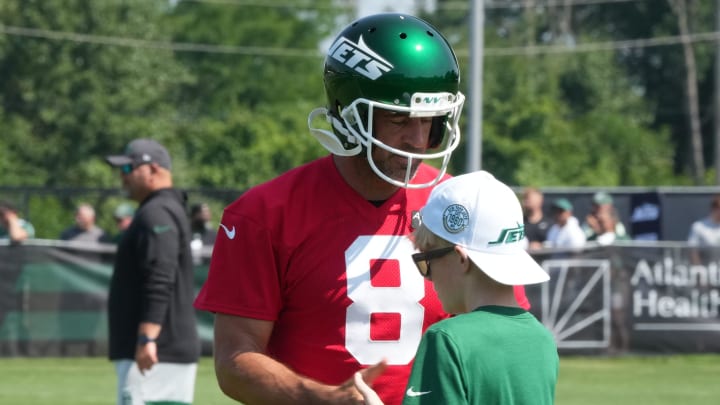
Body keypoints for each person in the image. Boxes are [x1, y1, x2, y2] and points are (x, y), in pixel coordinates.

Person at [194, 13, 529, 405]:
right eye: (400, 119)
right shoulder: (264, 213)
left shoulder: (464, 205)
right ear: (348, 113)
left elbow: (507, 333)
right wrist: (320, 398)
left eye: (432, 121)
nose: (419, 141)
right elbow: (234, 358)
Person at [353, 171, 558, 405]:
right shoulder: (542, 340)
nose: (428, 277)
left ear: (462, 258)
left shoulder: (447, 339)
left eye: (427, 260)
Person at [105, 138, 200, 405]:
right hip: (162, 350)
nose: (122, 178)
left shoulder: (156, 213)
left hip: (157, 351)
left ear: (153, 169)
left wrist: (147, 337)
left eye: (127, 169)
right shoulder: (162, 209)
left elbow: (160, 275)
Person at [687, 194, 720, 264]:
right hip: (705, 269)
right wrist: (699, 269)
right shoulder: (698, 227)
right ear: (714, 208)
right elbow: (693, 250)